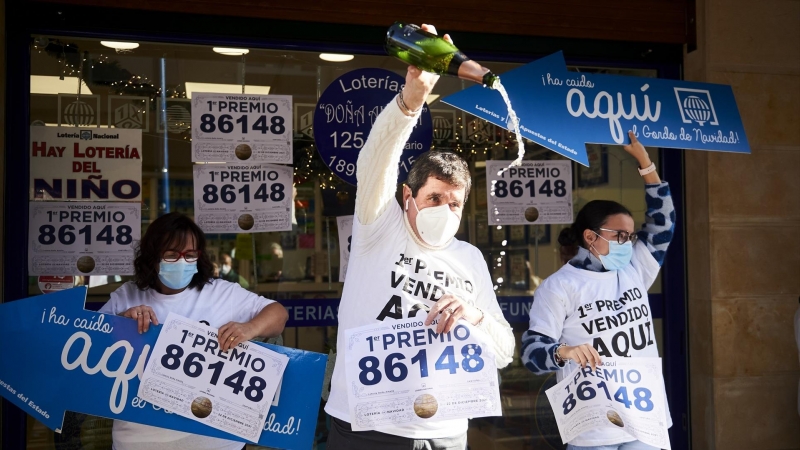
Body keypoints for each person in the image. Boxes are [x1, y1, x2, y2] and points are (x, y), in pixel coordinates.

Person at [324, 24, 515, 450]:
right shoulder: (380, 227)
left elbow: (504, 351)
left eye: (454, 204)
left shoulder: (469, 260)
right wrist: (412, 101)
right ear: (408, 197)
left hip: (443, 434)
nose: (445, 211)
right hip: (367, 428)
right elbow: (376, 160)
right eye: (434, 199)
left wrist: (474, 316)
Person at [521, 132, 675, 450]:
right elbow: (531, 355)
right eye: (619, 235)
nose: (627, 243)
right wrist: (563, 352)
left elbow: (663, 224)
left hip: (644, 418)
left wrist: (646, 164)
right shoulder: (558, 287)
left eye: (630, 236)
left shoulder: (634, 267)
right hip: (592, 426)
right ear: (590, 237)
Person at [99, 212, 288, 450]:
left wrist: (249, 328)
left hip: (216, 442)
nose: (181, 262)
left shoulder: (222, 293)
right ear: (152, 257)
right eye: (171, 255)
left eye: (190, 255)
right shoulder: (126, 296)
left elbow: (278, 314)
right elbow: (95, 346)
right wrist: (122, 323)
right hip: (139, 440)